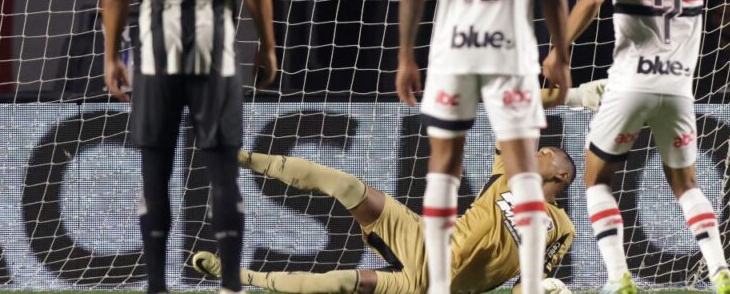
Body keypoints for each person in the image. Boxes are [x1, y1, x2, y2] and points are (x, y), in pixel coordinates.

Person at [543, 0, 730, 294]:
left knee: (597, 180)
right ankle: (719, 272)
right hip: (677, 90)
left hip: (629, 87)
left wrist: (559, 51)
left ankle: (618, 277)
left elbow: (592, 0)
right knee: (687, 185)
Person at [395, 0, 573, 294]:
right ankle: (533, 285)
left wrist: (406, 56)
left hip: (453, 50)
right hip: (510, 52)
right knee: (521, 167)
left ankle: (436, 289)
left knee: (444, 164)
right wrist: (559, 53)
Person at [101, 0, 278, 294]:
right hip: (214, 49)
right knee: (222, 170)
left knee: (155, 171)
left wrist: (111, 55)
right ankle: (232, 287)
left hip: (156, 52)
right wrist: (267, 45)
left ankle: (156, 285)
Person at [189, 142, 579, 294]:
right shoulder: (511, 172)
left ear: (561, 175)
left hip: (431, 285)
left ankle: (239, 278)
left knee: (342, 282)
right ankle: (240, 156)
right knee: (346, 185)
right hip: (425, 236)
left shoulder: (563, 228)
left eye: (548, 153)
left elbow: (528, 284)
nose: (540, 152)